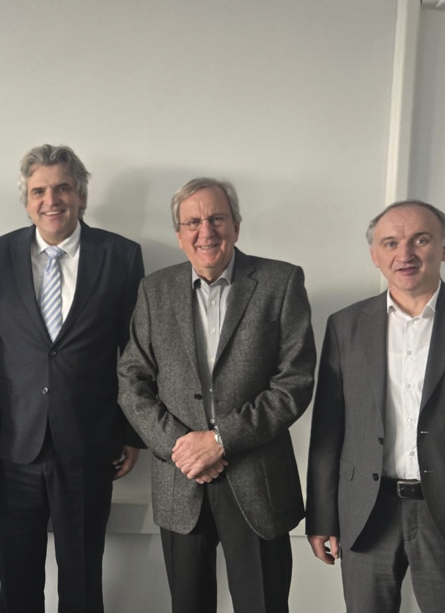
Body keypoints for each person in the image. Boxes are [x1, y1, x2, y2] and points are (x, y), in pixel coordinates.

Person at [305, 200, 445, 613]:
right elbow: (328, 429)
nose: (405, 254)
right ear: (375, 255)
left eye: (420, 240)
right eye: (390, 243)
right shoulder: (345, 325)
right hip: (366, 514)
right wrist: (321, 517)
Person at [118, 177, 316, 613]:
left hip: (258, 479)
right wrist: (183, 446)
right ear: (179, 234)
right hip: (180, 479)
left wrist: (221, 440)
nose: (205, 231)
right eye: (193, 222)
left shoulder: (281, 282)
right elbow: (132, 380)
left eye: (217, 218)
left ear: (236, 226)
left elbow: (295, 381)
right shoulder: (154, 290)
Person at [0, 144, 145, 613]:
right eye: (39, 191)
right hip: (14, 450)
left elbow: (136, 353)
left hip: (89, 448)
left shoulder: (121, 256)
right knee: (18, 587)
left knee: (82, 585)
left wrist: (133, 433)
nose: (52, 200)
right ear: (27, 201)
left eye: (63, 188)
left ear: (81, 195)